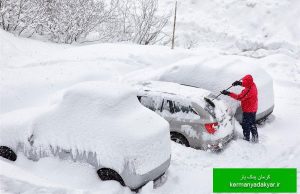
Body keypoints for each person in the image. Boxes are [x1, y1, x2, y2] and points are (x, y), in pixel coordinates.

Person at [221, 74, 259, 143]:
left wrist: (228, 93)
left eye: (244, 81)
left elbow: (239, 97)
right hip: (253, 108)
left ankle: (246, 139)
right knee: (252, 124)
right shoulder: (252, 84)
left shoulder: (249, 90)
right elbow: (247, 84)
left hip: (248, 110)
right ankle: (255, 139)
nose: (243, 82)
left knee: (246, 125)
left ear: (247, 82)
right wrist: (239, 83)